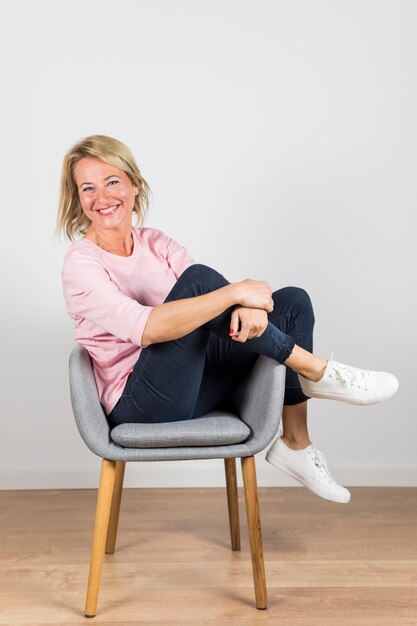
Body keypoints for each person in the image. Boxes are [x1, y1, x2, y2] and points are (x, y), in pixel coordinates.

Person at [57, 134, 399, 505]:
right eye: (88, 188)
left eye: (112, 182)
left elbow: (211, 311)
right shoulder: (81, 262)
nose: (102, 198)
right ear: (78, 199)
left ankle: (296, 445)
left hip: (195, 385)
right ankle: (318, 371)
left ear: (134, 185)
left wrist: (244, 306)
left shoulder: (156, 242)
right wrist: (236, 292)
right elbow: (147, 328)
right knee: (201, 281)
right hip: (142, 403)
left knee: (293, 304)